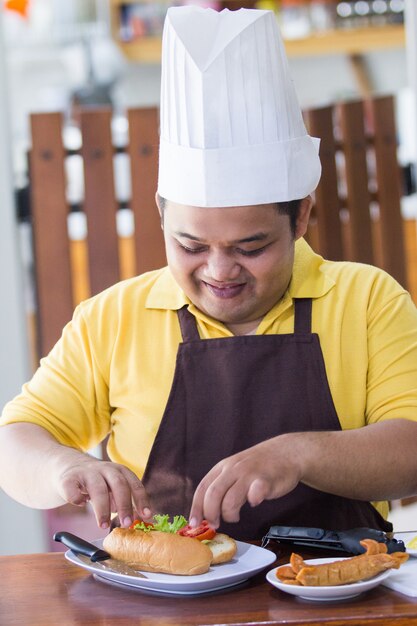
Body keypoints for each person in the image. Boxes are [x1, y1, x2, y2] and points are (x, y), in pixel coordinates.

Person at [1, 6, 417, 541]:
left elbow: (412, 448)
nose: (219, 271)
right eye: (190, 245)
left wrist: (298, 454)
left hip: (335, 595)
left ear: (302, 217)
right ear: (160, 214)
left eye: (252, 246)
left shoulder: (367, 300)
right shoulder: (113, 318)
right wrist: (64, 468)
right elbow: (17, 438)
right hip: (163, 609)